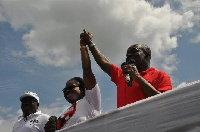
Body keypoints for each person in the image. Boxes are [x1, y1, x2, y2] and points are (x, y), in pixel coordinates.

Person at [80, 29, 172, 108]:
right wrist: (90, 43)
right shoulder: (122, 75)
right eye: (127, 55)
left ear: (147, 56)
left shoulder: (160, 76)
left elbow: (165, 103)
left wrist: (138, 78)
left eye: (134, 52)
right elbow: (104, 62)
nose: (129, 56)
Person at [44, 34, 101, 131]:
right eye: (65, 90)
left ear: (82, 89)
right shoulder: (64, 114)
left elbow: (86, 69)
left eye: (71, 87)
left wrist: (83, 47)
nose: (67, 91)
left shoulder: (90, 100)